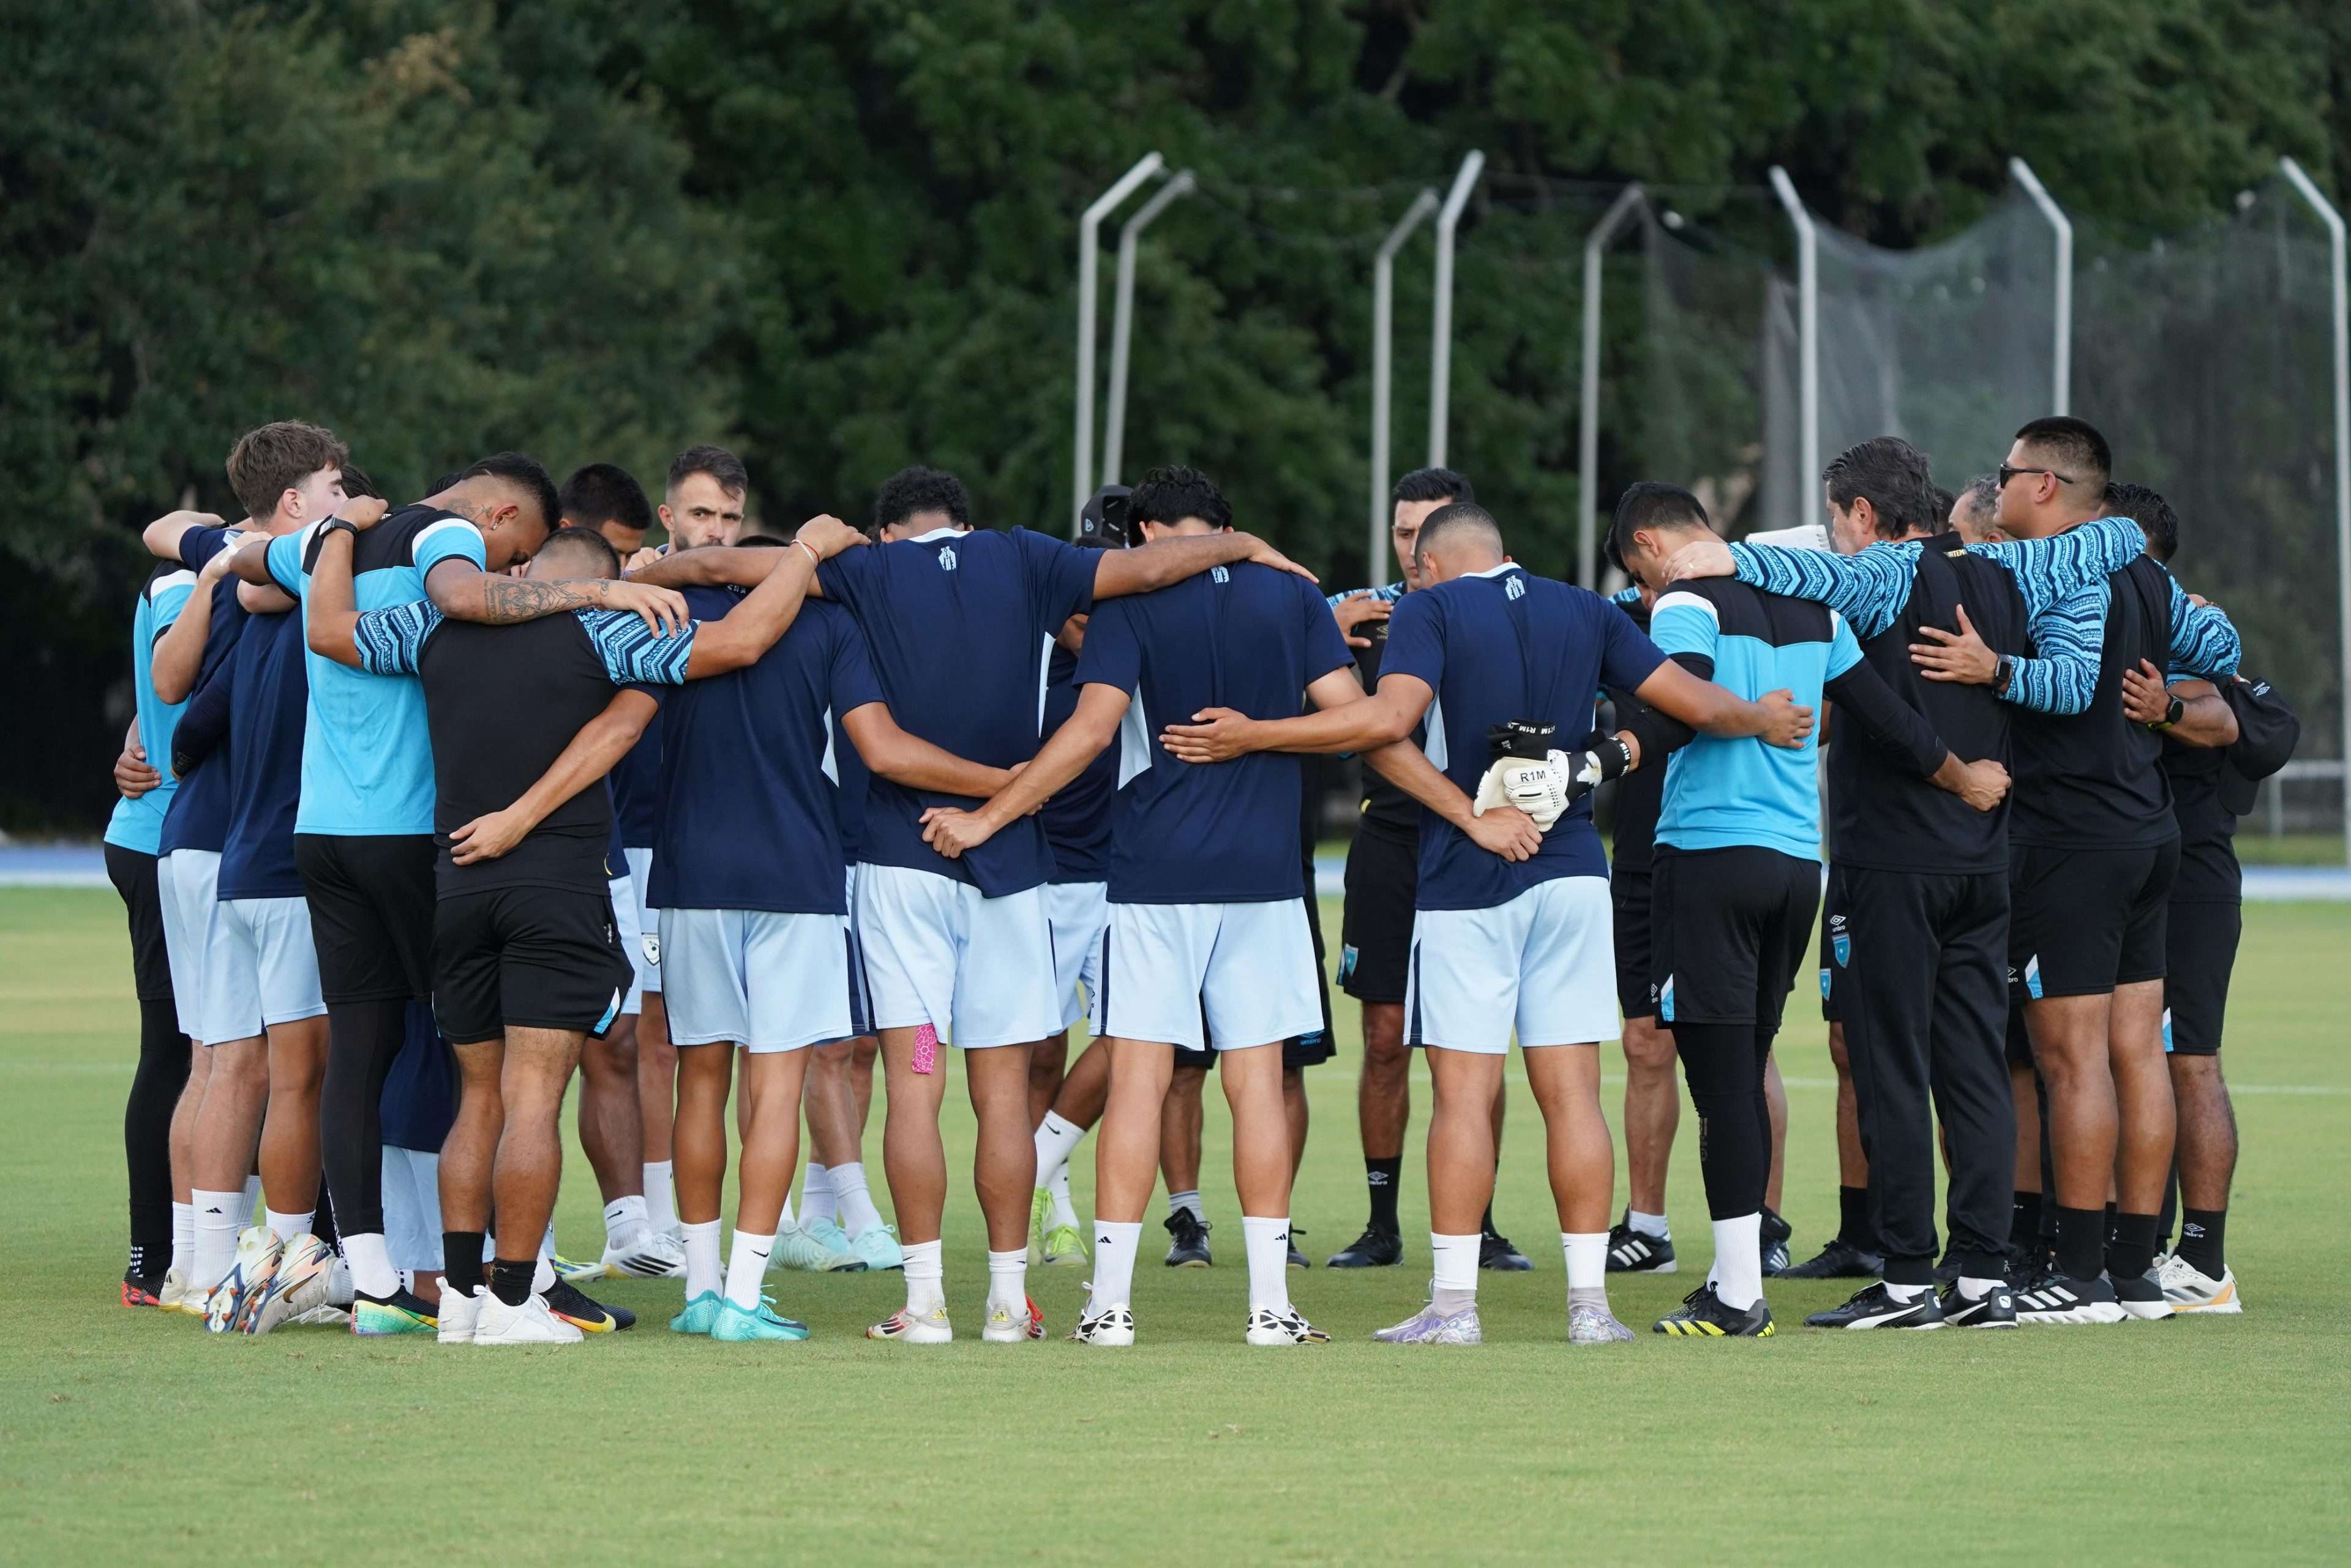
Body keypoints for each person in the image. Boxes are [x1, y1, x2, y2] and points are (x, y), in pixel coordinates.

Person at [1161, 500, 1813, 1345]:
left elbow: (1386, 721)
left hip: (1470, 879)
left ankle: (1454, 1308)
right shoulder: (1583, 605)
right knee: (1573, 1092)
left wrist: (1258, 735)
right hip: (1576, 871)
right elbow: (1694, 703)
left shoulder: (1431, 608)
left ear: (1429, 566)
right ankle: (1591, 1310)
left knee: (1464, 1096)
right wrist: (1762, 717)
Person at [786, 461, 1313, 1345]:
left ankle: (923, 1306)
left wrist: (788, 545)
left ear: (887, 532)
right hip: (1011, 872)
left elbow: (742, 575)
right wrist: (1246, 542)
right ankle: (1006, 1303)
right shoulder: (1023, 557)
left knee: (918, 1079)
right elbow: (1146, 568)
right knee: (1001, 1091)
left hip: (905, 869)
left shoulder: (865, 572)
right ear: (964, 518)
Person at [1665, 436, 2147, 1329]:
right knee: (1972, 1068)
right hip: (1983, 861)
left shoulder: (1886, 571)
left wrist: (1725, 555)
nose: (1837, 544)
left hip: (1893, 865)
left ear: (1860, 516)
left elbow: (1831, 583)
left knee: (1889, 1069)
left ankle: (1904, 1284)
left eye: (1835, 521)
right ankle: (1979, 1276)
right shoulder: (2018, 575)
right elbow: (2115, 539)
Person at [307, 516, 812, 1344]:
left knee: (476, 1099)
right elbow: (744, 642)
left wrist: (331, 537)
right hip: (555, 889)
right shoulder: (610, 631)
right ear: (602, 578)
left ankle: (462, 1302)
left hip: (456, 881)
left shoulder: (434, 625)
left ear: (529, 569)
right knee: (533, 1101)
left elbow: (328, 631)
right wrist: (805, 553)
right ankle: (514, 1302)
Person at [227, 451, 680, 1334]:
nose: (514, 575)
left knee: (365, 1052)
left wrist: (337, 532)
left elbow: (241, 564)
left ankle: (376, 1278)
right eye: (522, 554)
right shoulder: (450, 544)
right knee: (503, 1077)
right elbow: (468, 600)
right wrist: (598, 592)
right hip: (424, 836)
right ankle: (519, 1280)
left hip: (324, 832)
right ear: (503, 518)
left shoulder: (333, 539)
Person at [1612, 482, 2006, 1338]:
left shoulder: (1683, 600)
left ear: (1649, 547)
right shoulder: (1813, 604)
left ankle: (1736, 1294)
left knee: (1720, 1088)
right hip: (1797, 868)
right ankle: (1740, 1275)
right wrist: (1962, 774)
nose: (1644, 593)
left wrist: (1611, 752)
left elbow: (1686, 706)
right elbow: (1887, 719)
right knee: (1746, 1071)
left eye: (1638, 577)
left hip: (1709, 856)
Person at [633, 527, 1018, 1341]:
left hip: (689, 872)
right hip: (797, 878)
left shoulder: (671, 614)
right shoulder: (832, 622)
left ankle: (701, 1293)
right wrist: (1010, 784)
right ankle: (741, 1296)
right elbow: (881, 748)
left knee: (699, 1080)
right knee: (774, 1088)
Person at [1932, 419, 2240, 1323]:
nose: (1999, 489)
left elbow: (2065, 686)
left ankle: (2080, 1275)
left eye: (2007, 473)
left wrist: (1995, 668)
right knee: (2137, 1050)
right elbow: (2218, 650)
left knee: (2070, 1059)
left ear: (2045, 486)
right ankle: (2136, 1272)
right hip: (2149, 833)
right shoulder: (2145, 569)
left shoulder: (2060, 569)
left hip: (2072, 837)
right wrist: (2163, 700)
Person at [1322, 467, 1526, 1274]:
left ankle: (1479, 1219)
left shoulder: (1510, 610)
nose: (1414, 548)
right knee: (1381, 1038)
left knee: (1472, 1044)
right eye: (1403, 532)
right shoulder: (1361, 616)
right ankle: (1380, 1220)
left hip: (1476, 841)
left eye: (1427, 530)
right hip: (1391, 844)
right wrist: (1318, 629)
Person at [2120, 482, 2297, 1313]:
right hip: (2127, 864)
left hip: (2190, 873)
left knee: (2189, 1059)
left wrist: (2160, 709)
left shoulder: (2183, 620)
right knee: (2129, 1058)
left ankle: (2206, 1261)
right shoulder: (2110, 615)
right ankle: (2140, 1247)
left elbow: (2224, 721)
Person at [552, 462, 684, 1280]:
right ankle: (501, 1253)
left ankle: (632, 1226)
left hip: (610, 858)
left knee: (620, 1040)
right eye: (618, 554)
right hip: (517, 849)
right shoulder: (489, 596)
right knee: (517, 1060)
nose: (628, 572)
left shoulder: (633, 609)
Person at [103, 493, 220, 1305]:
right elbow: (175, 702)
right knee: (181, 1051)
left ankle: (188, 1245)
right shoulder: (188, 584)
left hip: (163, 830)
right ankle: (155, 1254)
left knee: (208, 1052)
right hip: (162, 836)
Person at [1026, 485, 1131, 1269]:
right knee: (1037, 1047)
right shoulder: (1021, 649)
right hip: (1042, 877)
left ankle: (1031, 1167)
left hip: (1129, 878)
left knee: (1131, 1037)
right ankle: (1056, 1204)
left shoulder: (1142, 644)